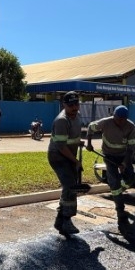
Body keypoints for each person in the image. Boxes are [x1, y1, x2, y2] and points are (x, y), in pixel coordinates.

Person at [86, 105, 135, 231]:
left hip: (123, 156)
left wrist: (124, 163)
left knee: (130, 178)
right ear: (114, 116)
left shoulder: (130, 126)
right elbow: (90, 127)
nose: (120, 121)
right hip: (109, 155)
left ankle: (119, 190)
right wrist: (89, 143)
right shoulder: (105, 123)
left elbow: (131, 149)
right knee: (114, 182)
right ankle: (120, 210)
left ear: (126, 118)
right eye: (118, 119)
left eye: (123, 119)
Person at [48, 91, 84, 236]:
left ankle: (60, 221)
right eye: (71, 105)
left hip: (69, 157)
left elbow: (71, 137)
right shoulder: (61, 121)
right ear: (64, 105)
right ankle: (66, 220)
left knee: (69, 187)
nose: (74, 108)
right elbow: (61, 146)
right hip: (58, 157)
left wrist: (78, 142)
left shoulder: (78, 116)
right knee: (70, 186)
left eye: (76, 104)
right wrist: (76, 161)